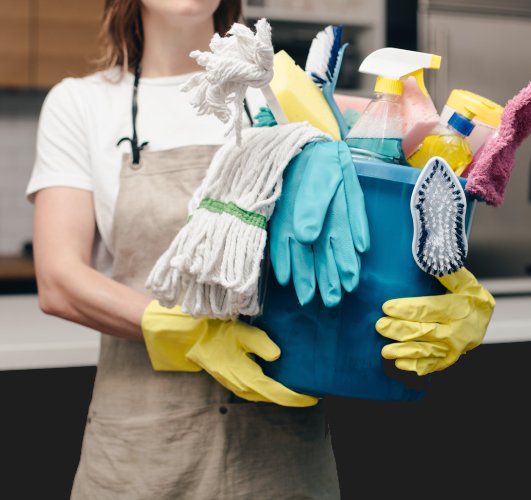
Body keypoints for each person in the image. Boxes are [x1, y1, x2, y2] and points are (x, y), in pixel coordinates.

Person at [26, 0, 341, 498]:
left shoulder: (281, 94)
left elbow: (344, 248)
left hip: (280, 450)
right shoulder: (81, 105)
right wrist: (190, 333)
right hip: (140, 453)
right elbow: (59, 279)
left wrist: (440, 291)